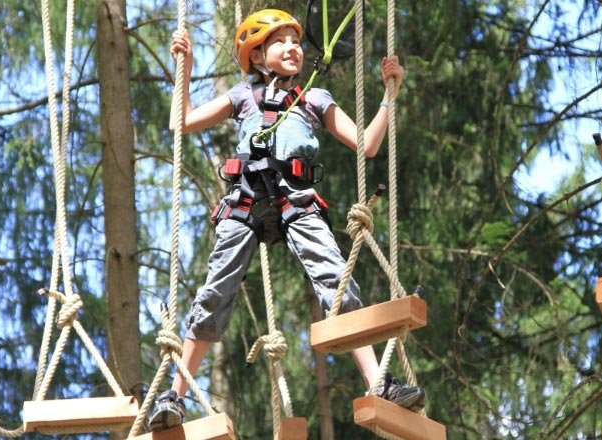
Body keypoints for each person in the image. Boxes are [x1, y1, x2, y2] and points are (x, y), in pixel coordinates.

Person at [147, 8, 424, 431]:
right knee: (216, 290)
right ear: (257, 56)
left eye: (296, 41)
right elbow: (179, 122)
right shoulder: (242, 96)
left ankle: (378, 382)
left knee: (337, 279)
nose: (293, 48)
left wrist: (390, 93)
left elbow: (366, 145)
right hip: (244, 202)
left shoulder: (315, 98)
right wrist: (183, 68)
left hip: (296, 199)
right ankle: (175, 395)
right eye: (280, 42)